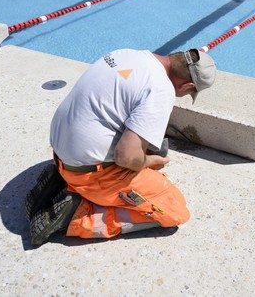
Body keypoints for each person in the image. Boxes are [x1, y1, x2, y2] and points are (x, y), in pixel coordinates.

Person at [24, 48, 216, 246]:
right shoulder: (161, 89)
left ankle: (64, 178)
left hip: (62, 151)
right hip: (90, 173)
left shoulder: (127, 54)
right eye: (189, 93)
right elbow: (126, 157)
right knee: (174, 211)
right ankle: (77, 213)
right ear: (187, 85)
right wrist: (150, 161)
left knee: (155, 147)